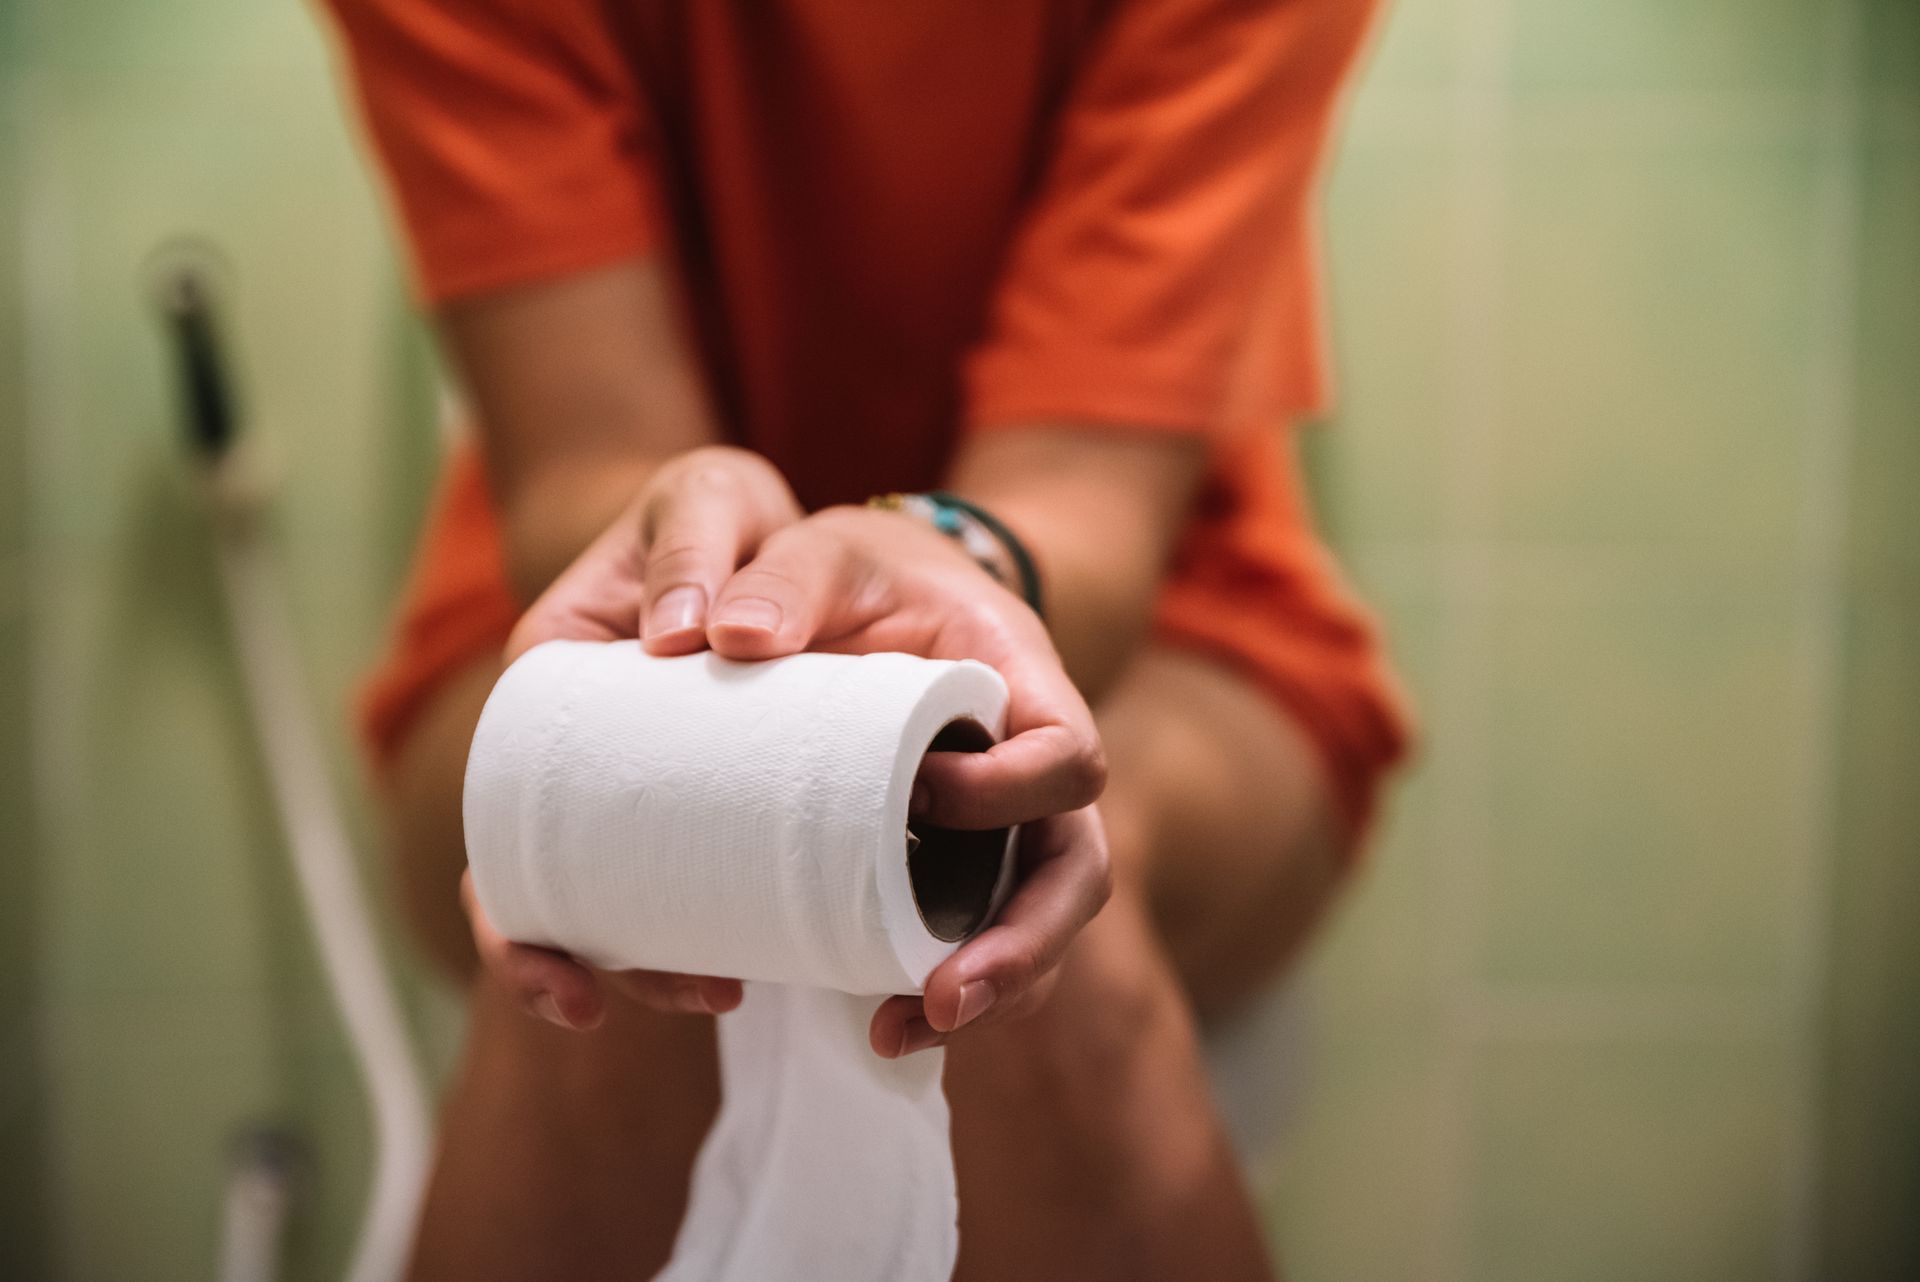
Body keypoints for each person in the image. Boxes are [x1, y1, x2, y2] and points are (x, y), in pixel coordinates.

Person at [321, 1, 1410, 1278]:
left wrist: (949, 554)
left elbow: (1087, 506)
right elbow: (587, 461)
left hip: (1166, 623)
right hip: (623, 597)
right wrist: (696, 595)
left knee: (985, 871)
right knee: (651, 853)